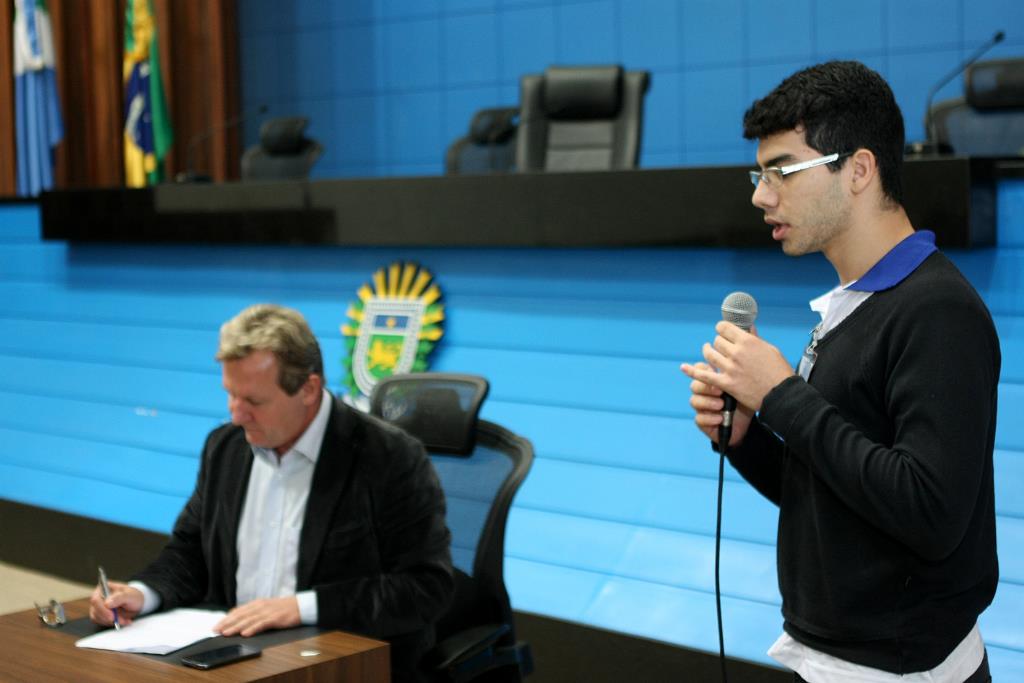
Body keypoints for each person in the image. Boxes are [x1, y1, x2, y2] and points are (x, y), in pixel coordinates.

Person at [681, 61, 999, 683]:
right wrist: (748, 437)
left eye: (782, 171)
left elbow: (929, 514)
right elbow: (834, 493)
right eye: (759, 174)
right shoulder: (854, 304)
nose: (761, 195)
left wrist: (781, 396)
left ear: (858, 169)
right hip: (835, 654)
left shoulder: (938, 311)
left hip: (901, 668)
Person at [90, 303, 454, 681]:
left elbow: (425, 587)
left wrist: (300, 608)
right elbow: (191, 551)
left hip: (342, 666)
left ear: (308, 389)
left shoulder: (387, 457)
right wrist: (143, 593)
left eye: (254, 401)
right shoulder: (225, 448)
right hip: (235, 660)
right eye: (230, 394)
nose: (236, 414)